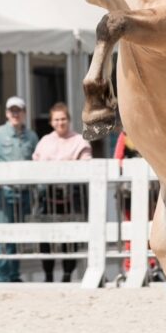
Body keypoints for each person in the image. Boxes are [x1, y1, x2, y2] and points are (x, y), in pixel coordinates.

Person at [0, 96, 39, 282]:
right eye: (12, 111)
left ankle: (14, 275)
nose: (15, 114)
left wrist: (38, 190)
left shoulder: (31, 136)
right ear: (7, 113)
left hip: (25, 194)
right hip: (4, 194)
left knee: (18, 235)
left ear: (24, 113)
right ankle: (2, 276)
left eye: (18, 110)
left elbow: (38, 162)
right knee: (4, 234)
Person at [33, 102, 92, 282]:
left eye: (63, 119)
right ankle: (48, 274)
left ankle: (67, 274)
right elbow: (35, 165)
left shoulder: (79, 140)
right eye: (57, 119)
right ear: (51, 122)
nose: (60, 123)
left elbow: (86, 164)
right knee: (46, 236)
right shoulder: (44, 141)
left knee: (70, 236)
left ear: (69, 120)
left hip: (71, 196)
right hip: (48, 196)